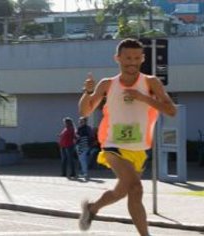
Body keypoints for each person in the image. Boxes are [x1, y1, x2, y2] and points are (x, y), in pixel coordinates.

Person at [78, 38, 177, 236]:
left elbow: (171, 110)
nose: (131, 62)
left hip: (139, 148)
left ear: (142, 58)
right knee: (136, 188)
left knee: (121, 191)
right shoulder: (107, 84)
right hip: (113, 144)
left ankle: (92, 208)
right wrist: (88, 91)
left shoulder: (151, 83)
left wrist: (144, 98)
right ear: (118, 58)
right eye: (127, 58)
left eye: (136, 58)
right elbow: (85, 111)